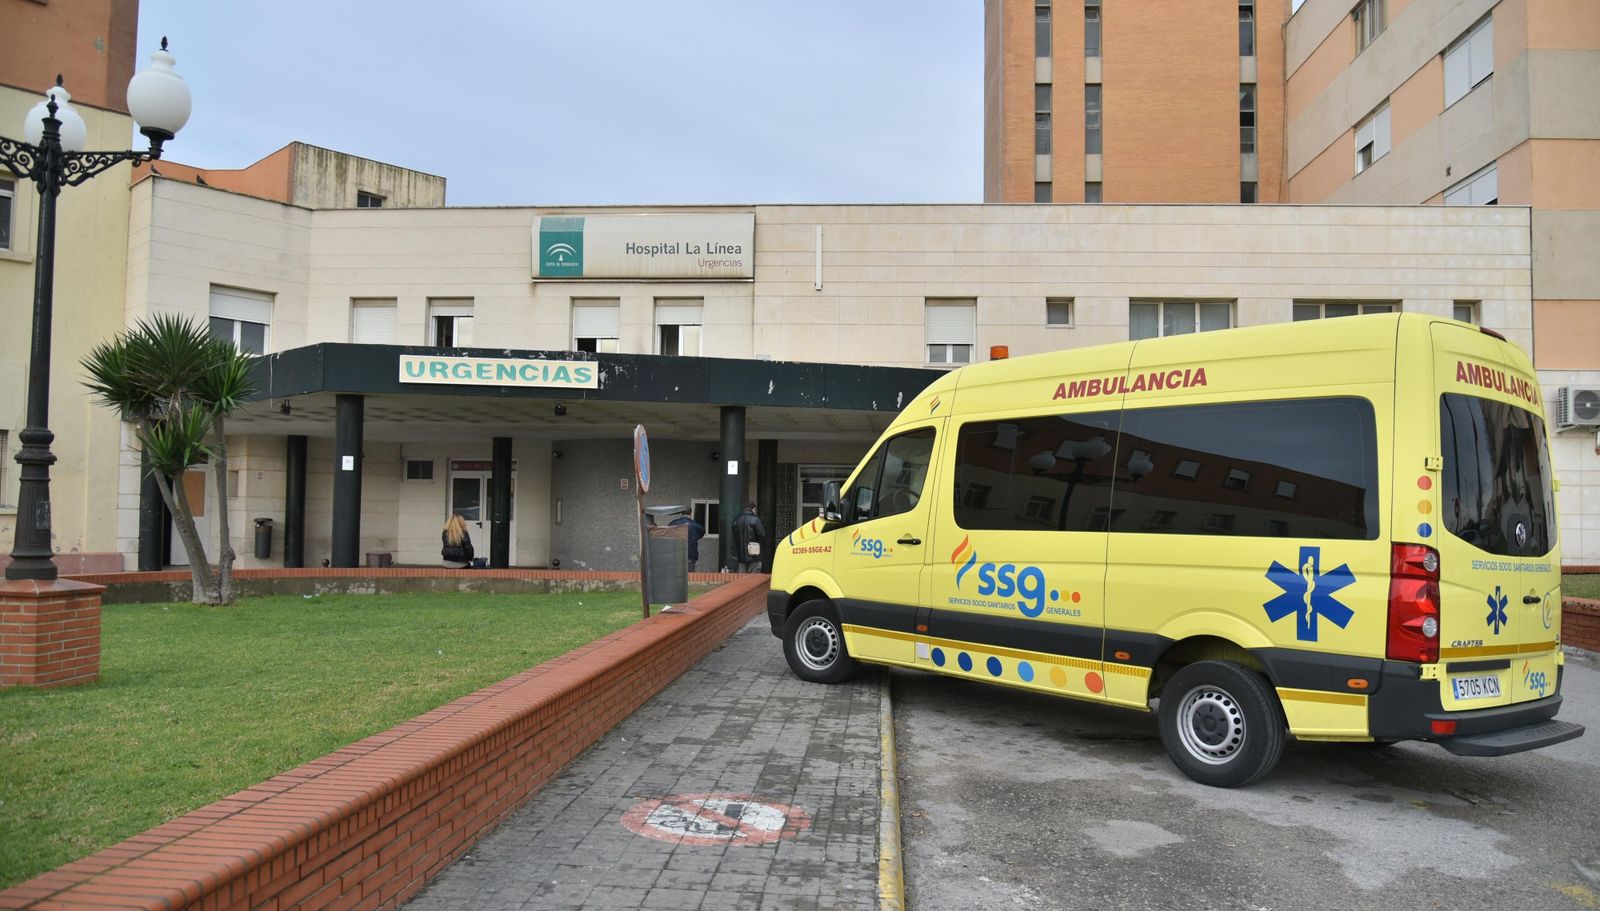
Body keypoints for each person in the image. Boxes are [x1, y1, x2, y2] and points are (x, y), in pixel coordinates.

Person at [732, 502, 766, 573]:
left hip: (741, 552)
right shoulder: (755, 519)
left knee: (742, 576)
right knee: (755, 575)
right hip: (754, 551)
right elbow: (762, 534)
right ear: (753, 509)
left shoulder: (737, 520)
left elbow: (734, 534)